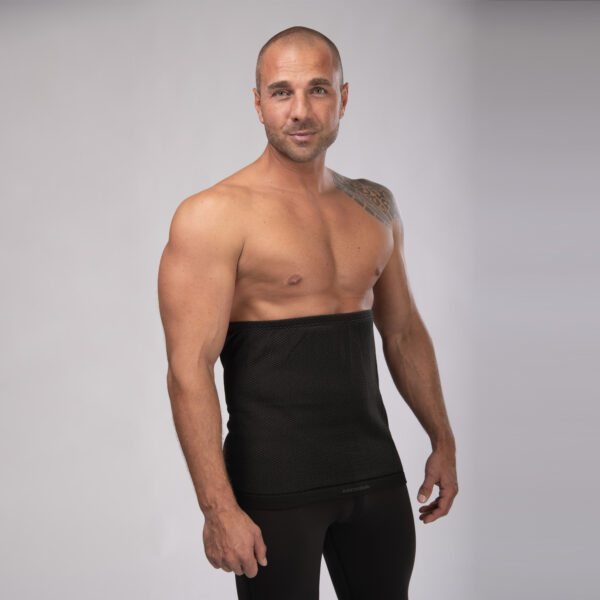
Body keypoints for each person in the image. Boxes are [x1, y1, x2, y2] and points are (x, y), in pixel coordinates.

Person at [157, 25, 458, 600]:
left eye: (318, 89)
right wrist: (218, 507)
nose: (300, 110)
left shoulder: (375, 205)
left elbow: (402, 332)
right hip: (274, 487)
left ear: (342, 98)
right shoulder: (213, 215)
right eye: (282, 92)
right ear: (258, 103)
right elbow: (188, 370)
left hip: (375, 476)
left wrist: (442, 439)